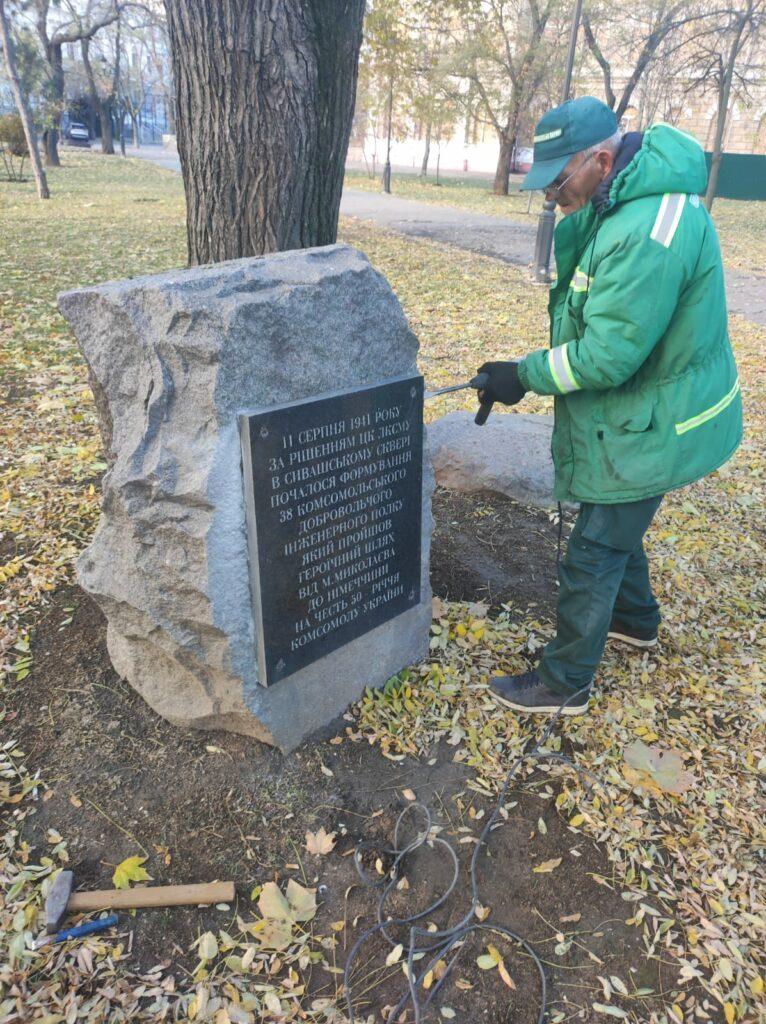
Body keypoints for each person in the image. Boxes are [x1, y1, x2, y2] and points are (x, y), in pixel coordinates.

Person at [477, 96, 742, 716]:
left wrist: (523, 375)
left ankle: (564, 682)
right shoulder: (616, 198)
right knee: (615, 513)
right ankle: (636, 621)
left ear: (600, 159)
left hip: (662, 413)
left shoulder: (648, 231)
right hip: (646, 401)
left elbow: (606, 356)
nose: (549, 197)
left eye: (557, 181)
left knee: (594, 548)